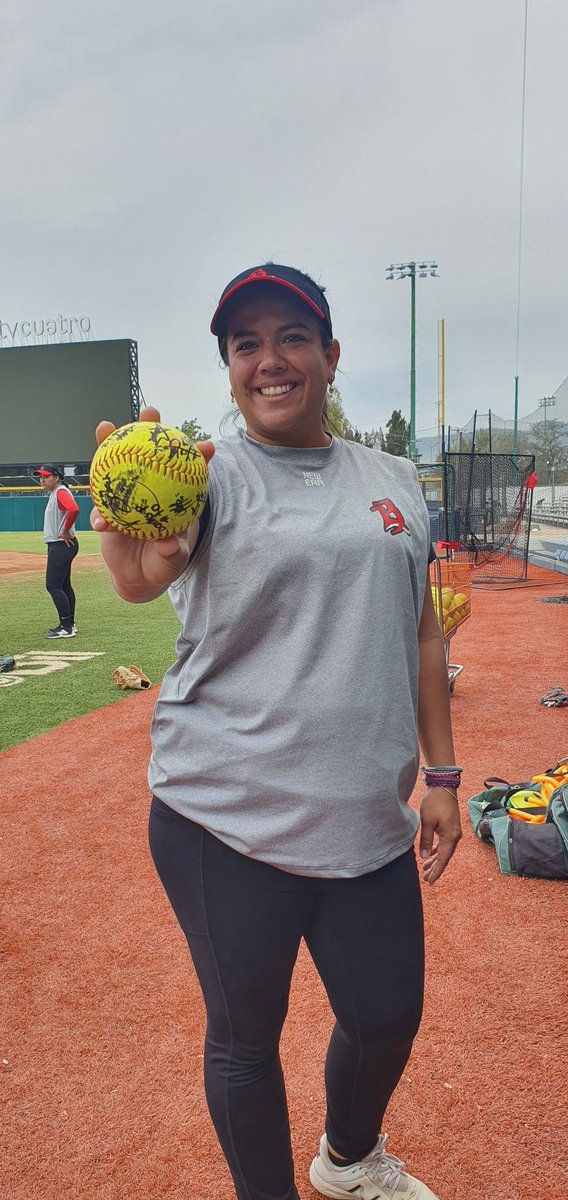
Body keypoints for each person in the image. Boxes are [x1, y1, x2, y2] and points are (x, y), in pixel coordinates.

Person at [91, 263, 462, 1200]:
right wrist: (136, 562)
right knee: (246, 1037)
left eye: (292, 337)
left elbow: (422, 631)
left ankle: (347, 1160)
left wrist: (446, 777)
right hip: (224, 816)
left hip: (366, 817)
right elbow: (143, 578)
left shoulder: (395, 480)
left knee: (386, 1017)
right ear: (227, 369)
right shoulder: (204, 476)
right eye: (245, 343)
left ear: (331, 357)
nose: (271, 360)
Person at [33, 464, 79, 638]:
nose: (42, 480)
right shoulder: (57, 492)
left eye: (46, 476)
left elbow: (73, 509)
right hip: (63, 545)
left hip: (61, 544)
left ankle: (65, 627)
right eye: (41, 477)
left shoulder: (60, 491)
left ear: (56, 477)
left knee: (52, 585)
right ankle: (70, 624)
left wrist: (66, 529)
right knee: (63, 585)